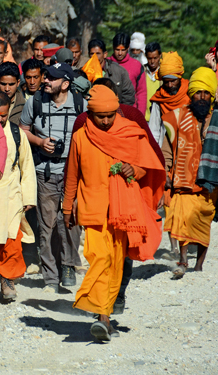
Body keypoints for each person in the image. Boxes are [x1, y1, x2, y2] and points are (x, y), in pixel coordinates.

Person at [63, 85, 164, 342]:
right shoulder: (81, 137)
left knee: (116, 261)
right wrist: (67, 208)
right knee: (98, 257)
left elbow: (146, 164)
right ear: (90, 114)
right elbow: (72, 175)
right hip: (92, 207)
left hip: (123, 210)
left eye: (110, 115)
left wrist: (134, 170)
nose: (106, 121)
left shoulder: (130, 132)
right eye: (100, 116)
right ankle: (102, 315)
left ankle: (102, 314)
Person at [20, 62, 86, 293]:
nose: (45, 80)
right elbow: (23, 129)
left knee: (70, 222)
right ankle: (50, 277)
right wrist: (40, 142)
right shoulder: (34, 102)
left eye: (52, 78)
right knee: (47, 226)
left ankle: (68, 265)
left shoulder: (81, 104)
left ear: (66, 84)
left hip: (73, 174)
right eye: (46, 76)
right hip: (45, 173)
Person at [0, 91, 36, 302]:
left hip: (11, 194)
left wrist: (28, 197)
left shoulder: (17, 133)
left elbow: (26, 166)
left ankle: (8, 280)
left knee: (11, 240)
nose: (0, 119)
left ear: (9, 110)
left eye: (3, 114)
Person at [162, 68, 218, 277]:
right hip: (183, 179)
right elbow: (167, 148)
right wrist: (166, 172)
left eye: (206, 93)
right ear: (191, 94)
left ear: (211, 96)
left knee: (203, 219)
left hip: (209, 181)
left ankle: (199, 265)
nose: (202, 98)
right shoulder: (176, 118)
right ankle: (183, 260)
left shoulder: (217, 119)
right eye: (198, 93)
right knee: (182, 216)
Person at [148, 52, 190, 146]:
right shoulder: (159, 98)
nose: (170, 85)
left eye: (173, 81)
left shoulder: (190, 92)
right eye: (166, 82)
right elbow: (154, 129)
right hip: (165, 146)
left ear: (179, 78)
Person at [88, 39, 136, 106]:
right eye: (92, 54)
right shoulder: (84, 72)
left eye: (98, 53)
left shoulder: (119, 71)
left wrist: (121, 112)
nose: (95, 57)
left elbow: (128, 96)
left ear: (105, 54)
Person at [108, 33, 147, 113]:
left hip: (130, 111)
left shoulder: (137, 66)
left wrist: (140, 115)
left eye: (123, 50)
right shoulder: (106, 64)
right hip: (108, 112)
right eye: (117, 50)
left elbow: (141, 92)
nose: (120, 53)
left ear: (128, 48)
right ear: (113, 47)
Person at [0, 62, 26, 126]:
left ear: (18, 83)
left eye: (11, 84)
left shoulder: (25, 106)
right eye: (3, 84)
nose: (7, 89)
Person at [143, 42, 162, 121]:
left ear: (160, 56)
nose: (152, 61)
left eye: (155, 58)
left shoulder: (164, 73)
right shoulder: (141, 72)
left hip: (161, 118)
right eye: (150, 58)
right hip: (145, 118)